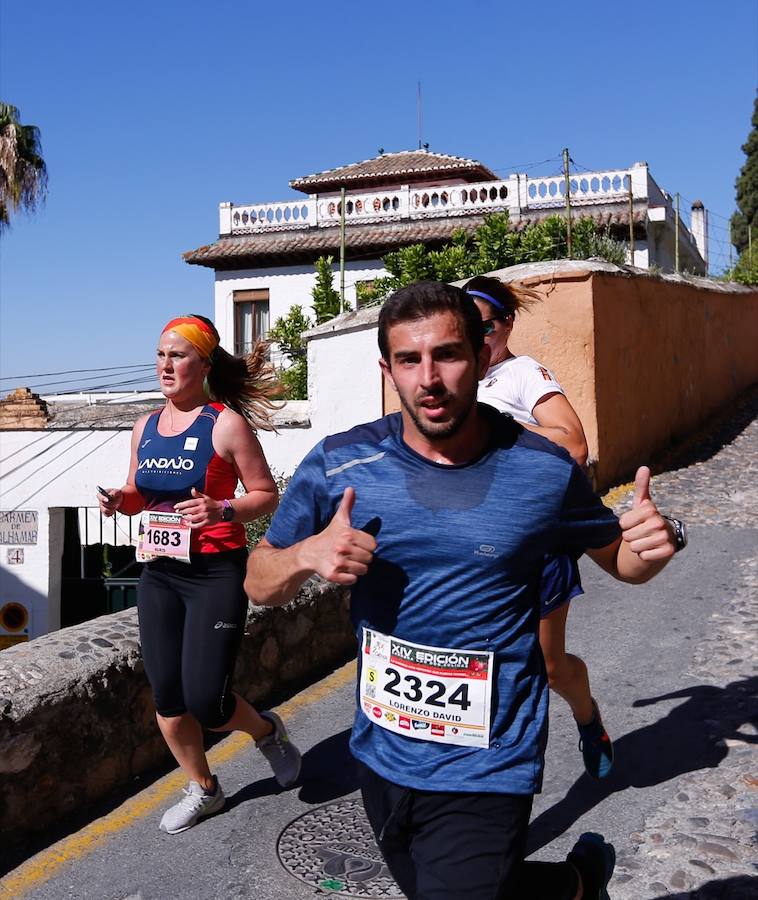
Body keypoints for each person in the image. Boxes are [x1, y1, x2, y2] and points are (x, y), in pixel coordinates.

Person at [244, 281, 678, 899]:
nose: (430, 378)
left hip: (491, 758)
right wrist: (303, 555)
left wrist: (659, 543)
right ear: (386, 369)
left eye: (446, 354)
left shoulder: (542, 470)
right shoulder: (340, 464)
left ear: (481, 356)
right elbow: (258, 583)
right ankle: (578, 886)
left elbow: (624, 562)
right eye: (408, 360)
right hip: (383, 751)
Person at [98, 314, 301, 834]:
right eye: (161, 354)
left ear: (203, 365)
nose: (166, 364)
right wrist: (122, 500)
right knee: (167, 697)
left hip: (213, 573)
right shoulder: (145, 425)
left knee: (207, 701)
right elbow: (139, 491)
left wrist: (223, 511)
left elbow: (265, 494)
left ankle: (265, 731)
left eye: (179, 355)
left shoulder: (225, 424)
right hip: (160, 573)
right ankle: (205, 788)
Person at [465, 274, 611, 779]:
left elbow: (574, 444)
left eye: (484, 327)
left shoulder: (523, 374)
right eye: (466, 325)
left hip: (536, 544)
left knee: (549, 667)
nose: (474, 337)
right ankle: (491, 782)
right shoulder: (453, 376)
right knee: (482, 666)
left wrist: (505, 427)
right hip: (475, 546)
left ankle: (589, 718)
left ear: (505, 326)